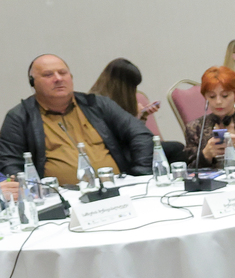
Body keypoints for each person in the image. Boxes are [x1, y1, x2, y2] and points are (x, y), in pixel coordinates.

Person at [1, 54, 154, 183]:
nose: (58, 79)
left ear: (71, 77)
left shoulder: (97, 104)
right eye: (48, 75)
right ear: (33, 83)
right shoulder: (20, 117)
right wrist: (31, 192)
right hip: (61, 198)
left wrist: (140, 175)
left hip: (116, 186)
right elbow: (9, 162)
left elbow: (140, 134)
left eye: (63, 73)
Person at [88, 58, 163, 126]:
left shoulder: (96, 101)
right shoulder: (99, 106)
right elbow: (123, 135)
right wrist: (134, 118)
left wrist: (143, 116)